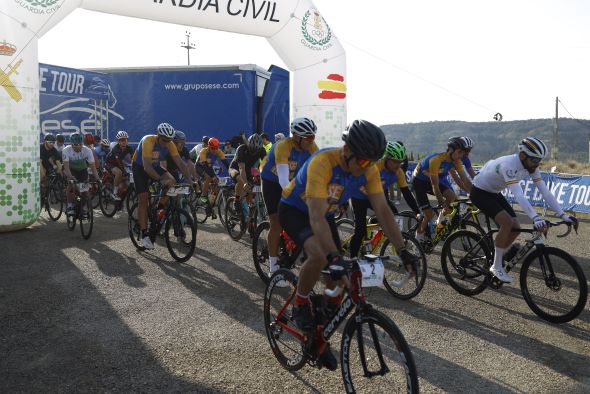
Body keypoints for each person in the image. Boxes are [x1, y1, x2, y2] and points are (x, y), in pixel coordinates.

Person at [279, 119, 419, 369]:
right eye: (364, 161)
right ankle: (300, 301)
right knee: (320, 256)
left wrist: (403, 250)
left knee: (339, 282)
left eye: (372, 162)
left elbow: (384, 211)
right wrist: (333, 256)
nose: (367, 168)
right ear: (347, 150)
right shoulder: (322, 162)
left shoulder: (368, 169)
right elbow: (315, 217)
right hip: (296, 210)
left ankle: (318, 338)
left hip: (327, 213)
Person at [470, 137, 576, 283]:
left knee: (516, 228)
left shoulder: (531, 165)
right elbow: (518, 194)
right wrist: (535, 218)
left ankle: (498, 256)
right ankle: (496, 266)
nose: (537, 164)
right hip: (479, 192)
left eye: (539, 160)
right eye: (534, 160)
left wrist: (563, 215)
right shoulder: (508, 165)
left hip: (494, 192)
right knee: (507, 224)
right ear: (522, 155)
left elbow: (545, 192)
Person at [260, 117, 318, 276]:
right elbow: (283, 180)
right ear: (297, 137)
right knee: (276, 222)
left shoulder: (312, 147)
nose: (311, 140)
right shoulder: (283, 147)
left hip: (294, 181)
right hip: (272, 181)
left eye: (313, 136)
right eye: (308, 137)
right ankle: (273, 265)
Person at [349, 141, 421, 258]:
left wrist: (417, 211)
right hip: (359, 197)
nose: (398, 165)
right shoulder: (375, 166)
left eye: (400, 162)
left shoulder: (398, 172)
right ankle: (353, 260)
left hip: (376, 196)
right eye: (395, 162)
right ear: (387, 158)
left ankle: (374, 231)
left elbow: (406, 193)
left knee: (393, 212)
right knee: (360, 230)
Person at [132, 123, 194, 249]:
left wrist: (190, 180)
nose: (166, 143)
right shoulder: (148, 140)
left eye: (169, 140)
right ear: (158, 136)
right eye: (164, 140)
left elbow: (181, 164)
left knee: (172, 181)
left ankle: (160, 208)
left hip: (154, 165)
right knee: (143, 199)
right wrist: (160, 179)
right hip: (140, 167)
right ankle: (145, 235)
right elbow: (146, 166)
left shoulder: (170, 144)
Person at [412, 137, 473, 241]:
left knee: (452, 196)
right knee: (428, 214)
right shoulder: (436, 160)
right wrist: (442, 203)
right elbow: (434, 186)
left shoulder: (456, 161)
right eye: (459, 152)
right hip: (419, 182)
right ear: (450, 150)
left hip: (432, 181)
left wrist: (474, 193)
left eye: (462, 153)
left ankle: (439, 222)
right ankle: (418, 237)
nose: (461, 156)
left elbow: (464, 179)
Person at [62, 133, 100, 215]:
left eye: (80, 144)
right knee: (71, 185)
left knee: (85, 190)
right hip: (71, 170)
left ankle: (81, 207)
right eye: (76, 144)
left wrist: (98, 179)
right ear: (71, 144)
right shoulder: (66, 150)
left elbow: (93, 167)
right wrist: (70, 176)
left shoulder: (88, 150)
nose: (78, 146)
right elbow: (66, 167)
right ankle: (69, 206)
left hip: (82, 170)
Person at [229, 134, 267, 212]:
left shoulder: (262, 150)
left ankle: (250, 217)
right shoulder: (242, 149)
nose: (254, 152)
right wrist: (245, 183)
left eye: (256, 150)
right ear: (248, 144)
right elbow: (241, 168)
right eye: (252, 149)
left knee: (250, 192)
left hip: (247, 170)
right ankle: (236, 200)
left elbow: (265, 165)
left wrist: (260, 176)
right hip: (235, 168)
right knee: (241, 179)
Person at [197, 137, 230, 206]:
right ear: (208, 146)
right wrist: (213, 176)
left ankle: (211, 201)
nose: (214, 150)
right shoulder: (203, 151)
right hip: (199, 167)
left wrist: (232, 173)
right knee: (209, 177)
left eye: (216, 148)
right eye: (213, 148)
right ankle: (203, 196)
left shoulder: (218, 151)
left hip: (209, 167)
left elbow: (226, 164)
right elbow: (205, 166)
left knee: (217, 185)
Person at [105, 131, 135, 200]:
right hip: (110, 163)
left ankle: (121, 195)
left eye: (126, 140)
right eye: (122, 140)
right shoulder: (116, 148)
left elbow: (134, 158)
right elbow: (118, 161)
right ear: (118, 141)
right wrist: (124, 171)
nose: (124, 141)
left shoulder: (129, 148)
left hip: (118, 163)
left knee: (126, 179)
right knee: (119, 173)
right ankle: (114, 193)